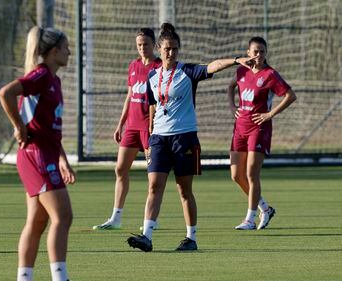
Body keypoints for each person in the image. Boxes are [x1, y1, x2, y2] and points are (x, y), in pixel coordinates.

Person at [127, 23, 256, 252]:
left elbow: (212, 66)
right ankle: (146, 236)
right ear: (159, 48)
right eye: (167, 49)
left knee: (184, 190)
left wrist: (235, 60)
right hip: (158, 138)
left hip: (184, 138)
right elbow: (152, 107)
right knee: (154, 187)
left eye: (175, 49)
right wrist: (148, 138)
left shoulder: (187, 72)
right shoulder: (152, 76)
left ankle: (191, 238)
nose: (171, 53)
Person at [0, 26, 92, 281]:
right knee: (63, 216)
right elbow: (5, 93)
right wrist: (18, 126)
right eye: (65, 48)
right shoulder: (40, 75)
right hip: (36, 155)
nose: (69, 52)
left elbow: (50, 128)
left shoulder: (54, 80)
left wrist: (62, 159)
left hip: (46, 154)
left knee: (37, 222)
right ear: (52, 52)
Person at [93, 28, 161, 230]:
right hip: (131, 127)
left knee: (154, 176)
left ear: (154, 45)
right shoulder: (133, 66)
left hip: (149, 128)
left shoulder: (159, 67)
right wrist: (120, 124)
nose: (142, 48)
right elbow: (129, 96)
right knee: (120, 169)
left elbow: (159, 100)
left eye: (146, 44)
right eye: (139, 44)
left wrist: (154, 125)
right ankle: (116, 218)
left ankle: (151, 221)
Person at [228, 36, 296, 230]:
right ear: (248, 52)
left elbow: (290, 95)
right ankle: (265, 208)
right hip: (239, 127)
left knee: (251, 173)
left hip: (259, 127)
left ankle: (249, 219)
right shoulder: (241, 70)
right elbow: (230, 86)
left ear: (266, 54)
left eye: (262, 52)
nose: (258, 55)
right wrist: (232, 105)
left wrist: (270, 114)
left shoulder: (270, 74)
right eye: (255, 51)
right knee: (235, 175)